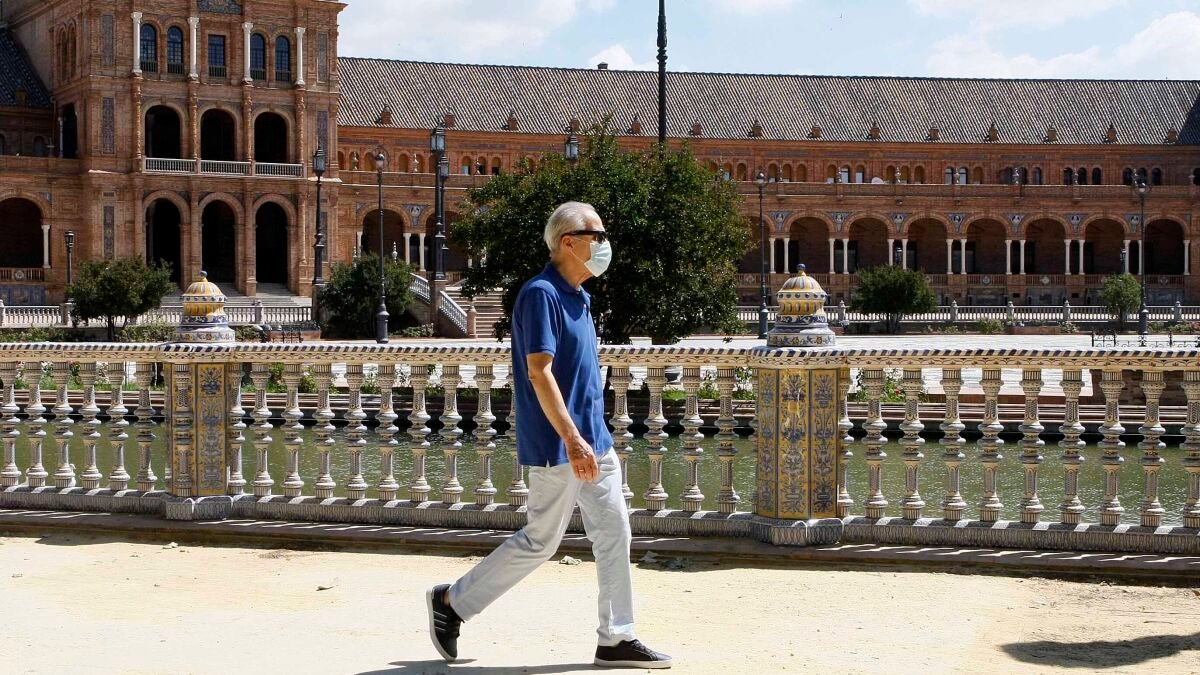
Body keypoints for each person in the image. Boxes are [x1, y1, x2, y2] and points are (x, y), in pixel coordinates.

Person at [426, 201, 672, 669]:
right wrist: (572, 439)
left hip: (594, 439)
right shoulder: (541, 294)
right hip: (560, 443)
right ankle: (451, 603)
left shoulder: (580, 296)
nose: (605, 244)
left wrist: (592, 436)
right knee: (541, 540)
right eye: (598, 236)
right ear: (569, 242)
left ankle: (616, 637)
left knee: (614, 532)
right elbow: (540, 372)